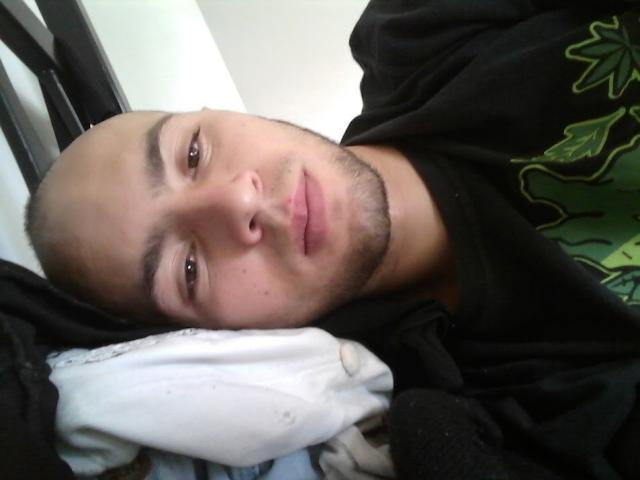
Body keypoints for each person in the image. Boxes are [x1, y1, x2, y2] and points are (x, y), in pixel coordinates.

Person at [23, 1, 640, 479]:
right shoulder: (507, 415)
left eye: (192, 153)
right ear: (215, 337)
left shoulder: (427, 27)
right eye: (187, 269)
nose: (238, 202)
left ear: (217, 113)